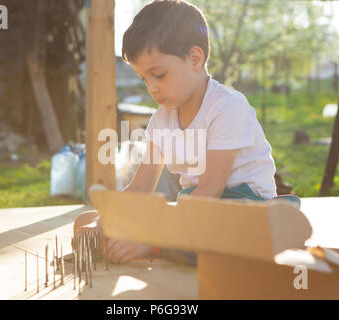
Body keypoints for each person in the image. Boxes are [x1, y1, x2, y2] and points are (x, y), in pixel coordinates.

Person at [74, 0, 282, 265]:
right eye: (143, 78)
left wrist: (155, 233)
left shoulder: (227, 107)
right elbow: (140, 186)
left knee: (220, 229)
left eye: (158, 74)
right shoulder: (162, 120)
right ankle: (164, 241)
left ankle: (157, 244)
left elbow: (209, 190)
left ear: (195, 58)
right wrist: (105, 222)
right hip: (195, 209)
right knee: (86, 220)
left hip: (245, 211)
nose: (152, 88)